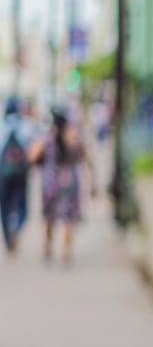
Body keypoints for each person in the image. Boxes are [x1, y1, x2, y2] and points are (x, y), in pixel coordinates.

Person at [30, 105, 95, 265]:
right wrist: (93, 181)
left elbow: (32, 157)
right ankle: (66, 251)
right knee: (68, 218)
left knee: (49, 217)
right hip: (69, 182)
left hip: (50, 183)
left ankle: (48, 246)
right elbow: (87, 158)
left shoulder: (47, 138)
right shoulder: (73, 138)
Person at [1, 97, 36, 257]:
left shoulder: (2, 126)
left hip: (4, 174)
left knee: (5, 205)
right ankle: (17, 225)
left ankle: (8, 235)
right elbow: (32, 152)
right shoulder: (26, 126)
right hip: (21, 174)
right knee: (22, 206)